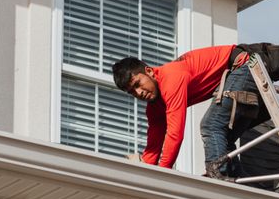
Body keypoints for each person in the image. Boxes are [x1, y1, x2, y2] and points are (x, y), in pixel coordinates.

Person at [112, 44, 265, 180]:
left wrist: (161, 175)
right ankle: (242, 185)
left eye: (138, 84)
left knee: (210, 126)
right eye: (132, 92)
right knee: (222, 139)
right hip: (235, 74)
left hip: (245, 64)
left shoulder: (171, 79)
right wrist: (145, 171)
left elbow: (175, 134)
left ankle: (219, 175)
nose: (138, 92)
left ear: (149, 71)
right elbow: (154, 145)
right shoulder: (154, 107)